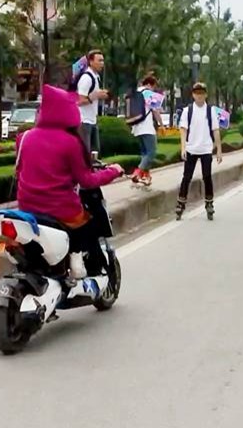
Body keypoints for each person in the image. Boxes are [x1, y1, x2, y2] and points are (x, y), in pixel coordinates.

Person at [16, 84, 124, 278]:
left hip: (26, 207)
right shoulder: (70, 142)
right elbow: (86, 180)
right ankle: (77, 259)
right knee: (88, 224)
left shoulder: (24, 138)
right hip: (60, 208)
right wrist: (113, 171)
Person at [176, 82, 223, 219]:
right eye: (197, 93)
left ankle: (209, 203)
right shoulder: (188, 111)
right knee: (186, 177)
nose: (199, 96)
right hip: (191, 148)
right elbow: (183, 130)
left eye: (202, 93)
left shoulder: (211, 111)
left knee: (207, 177)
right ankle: (181, 203)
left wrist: (219, 150)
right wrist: (183, 147)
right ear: (193, 95)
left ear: (205, 95)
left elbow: (216, 130)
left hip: (206, 149)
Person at [130, 75, 163, 186]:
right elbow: (155, 111)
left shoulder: (135, 92)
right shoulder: (148, 93)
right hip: (147, 128)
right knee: (151, 153)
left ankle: (146, 176)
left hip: (136, 128)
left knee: (144, 154)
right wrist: (161, 125)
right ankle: (137, 173)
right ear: (149, 84)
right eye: (154, 87)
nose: (153, 89)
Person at [76, 50, 109, 154]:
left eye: (103, 61)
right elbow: (79, 100)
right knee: (85, 153)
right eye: (99, 60)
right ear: (91, 62)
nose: (102, 63)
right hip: (84, 121)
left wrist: (101, 95)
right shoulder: (86, 78)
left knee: (95, 152)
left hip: (92, 120)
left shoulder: (96, 77)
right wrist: (94, 97)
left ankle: (93, 170)